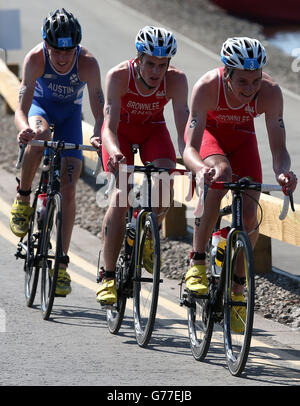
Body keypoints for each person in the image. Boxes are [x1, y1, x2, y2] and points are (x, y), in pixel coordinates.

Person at [183, 37, 297, 332]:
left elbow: (279, 151)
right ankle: (196, 262)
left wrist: (284, 172)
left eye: (255, 81)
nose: (250, 89)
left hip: (242, 140)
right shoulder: (208, 86)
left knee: (250, 216)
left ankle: (236, 289)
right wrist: (199, 169)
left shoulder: (269, 93)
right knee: (221, 173)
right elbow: (189, 149)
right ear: (227, 73)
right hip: (211, 139)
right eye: (243, 82)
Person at [91, 26, 189, 305]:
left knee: (164, 182)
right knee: (121, 196)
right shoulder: (119, 76)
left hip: (152, 131)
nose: (156, 71)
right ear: (138, 59)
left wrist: (192, 160)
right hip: (119, 134)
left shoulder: (177, 80)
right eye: (150, 63)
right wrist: (114, 152)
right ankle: (107, 276)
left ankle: (148, 232)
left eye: (162, 65)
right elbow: (108, 127)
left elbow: (184, 132)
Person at [10, 8, 104, 296]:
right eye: (55, 51)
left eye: (68, 51)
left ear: (76, 48)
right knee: (39, 137)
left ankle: (61, 265)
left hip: (70, 117)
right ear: (45, 45)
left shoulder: (87, 63)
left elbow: (101, 114)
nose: (62, 58)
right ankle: (24, 197)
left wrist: (100, 137)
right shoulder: (35, 58)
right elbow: (21, 109)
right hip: (41, 111)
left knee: (70, 187)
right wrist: (24, 128)